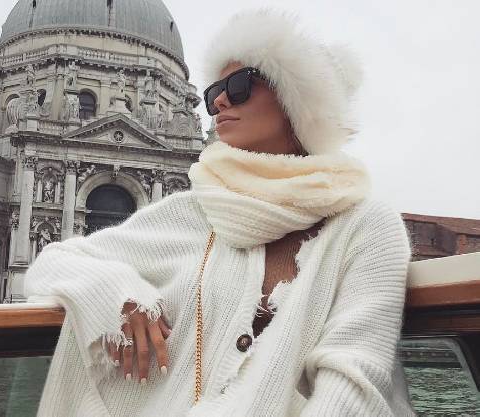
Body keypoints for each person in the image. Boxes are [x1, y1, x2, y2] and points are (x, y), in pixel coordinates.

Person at [24, 8, 414, 417]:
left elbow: (354, 384)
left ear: (297, 100)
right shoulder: (194, 211)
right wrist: (118, 292)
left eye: (240, 85)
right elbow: (54, 261)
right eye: (212, 94)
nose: (219, 102)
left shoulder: (366, 225)